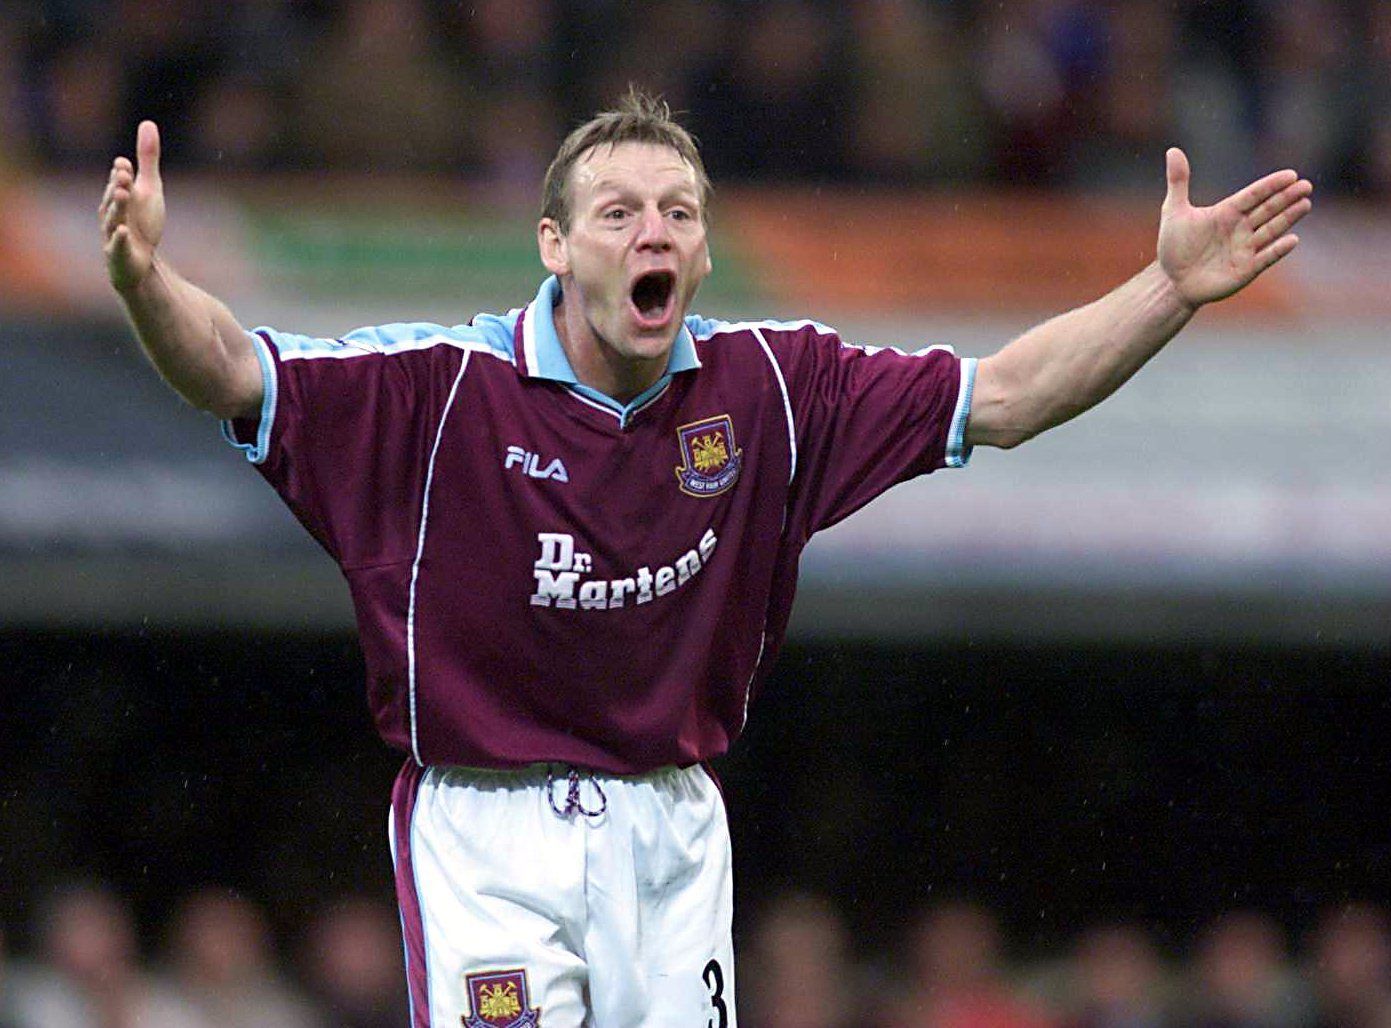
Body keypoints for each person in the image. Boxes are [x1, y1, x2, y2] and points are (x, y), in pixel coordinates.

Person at [99, 90, 1312, 1027]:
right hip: (484, 828)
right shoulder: (437, 390)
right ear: (554, 246)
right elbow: (236, 371)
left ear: (704, 250)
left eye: (678, 210)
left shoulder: (774, 387)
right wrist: (146, 278)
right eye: (618, 211)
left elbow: (998, 396)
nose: (654, 230)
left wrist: (1165, 289)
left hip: (671, 826)